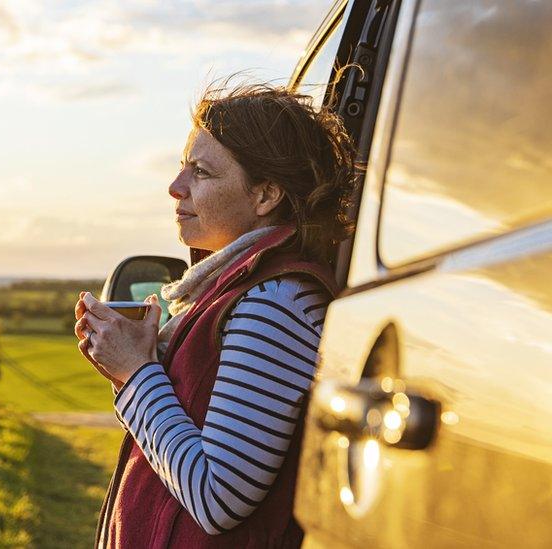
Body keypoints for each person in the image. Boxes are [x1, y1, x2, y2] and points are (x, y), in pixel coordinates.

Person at [74, 81, 359, 548]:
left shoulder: (274, 302)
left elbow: (219, 498)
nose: (175, 187)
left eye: (202, 173)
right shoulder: (243, 290)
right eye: (182, 167)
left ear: (265, 195)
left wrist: (134, 373)